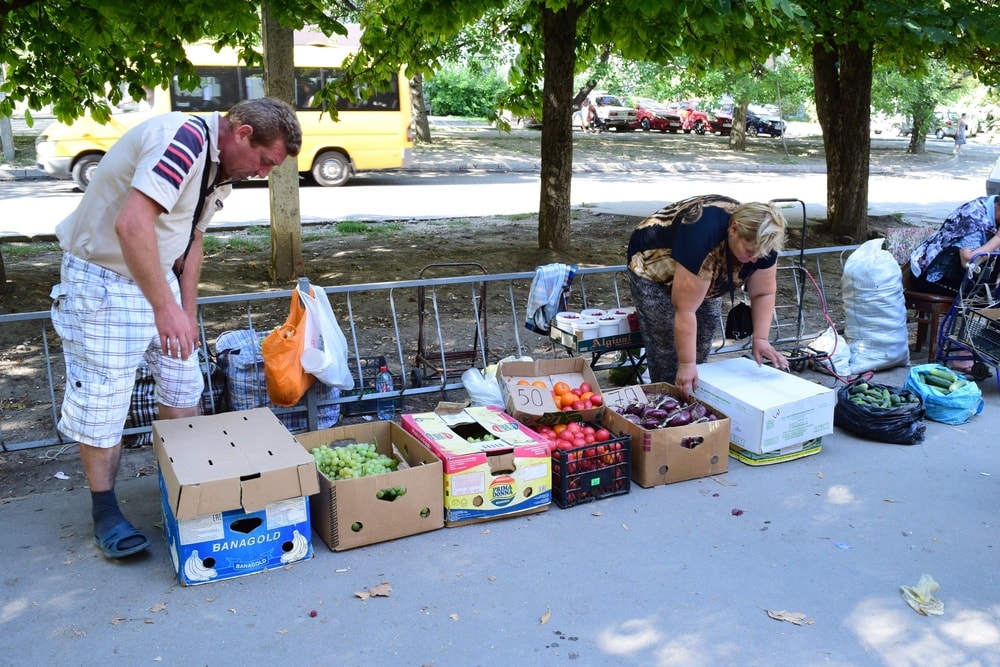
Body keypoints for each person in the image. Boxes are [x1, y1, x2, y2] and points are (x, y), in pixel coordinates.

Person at [49, 98, 302, 559]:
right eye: (265, 161)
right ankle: (104, 511)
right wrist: (165, 309)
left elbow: (192, 243)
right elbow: (131, 226)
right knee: (105, 397)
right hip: (102, 279)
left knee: (185, 384)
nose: (263, 173)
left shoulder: (218, 168)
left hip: (155, 276)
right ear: (242, 133)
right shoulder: (183, 141)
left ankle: (181, 490)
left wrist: (184, 313)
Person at [626, 194, 789, 398]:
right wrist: (686, 364)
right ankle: (665, 402)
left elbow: (763, 292)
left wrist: (761, 338)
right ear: (734, 228)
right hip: (652, 267)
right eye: (749, 252)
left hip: (706, 266)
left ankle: (693, 393)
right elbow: (685, 310)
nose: (754, 259)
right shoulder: (702, 238)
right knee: (666, 340)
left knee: (705, 330)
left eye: (760, 255)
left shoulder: (764, 242)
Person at [906, 194, 1000, 295]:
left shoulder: (993, 203)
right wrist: (998, 238)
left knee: (992, 293)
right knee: (985, 298)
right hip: (931, 275)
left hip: (957, 272)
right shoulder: (973, 217)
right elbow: (968, 262)